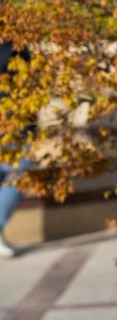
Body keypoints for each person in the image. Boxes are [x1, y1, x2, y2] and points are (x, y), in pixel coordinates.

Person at [0, 41, 34, 258]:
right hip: (11, 121)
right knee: (21, 170)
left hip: (14, 119)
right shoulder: (12, 43)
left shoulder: (15, 39)